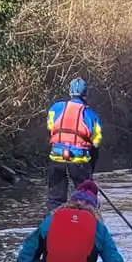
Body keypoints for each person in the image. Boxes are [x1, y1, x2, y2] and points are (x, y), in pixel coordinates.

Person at [45, 78, 102, 208]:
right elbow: (96, 144)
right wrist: (90, 172)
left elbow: (50, 129)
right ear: (85, 94)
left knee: (55, 198)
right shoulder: (91, 115)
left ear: (70, 92)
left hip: (56, 158)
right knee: (84, 198)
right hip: (79, 161)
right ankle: (83, 219)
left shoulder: (55, 108)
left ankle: (52, 221)